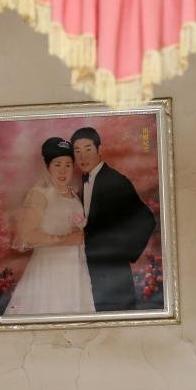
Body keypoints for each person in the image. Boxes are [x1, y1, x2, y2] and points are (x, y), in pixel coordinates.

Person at [4, 137, 95, 315]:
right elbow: (27, 233)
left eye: (68, 165)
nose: (63, 171)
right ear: (47, 166)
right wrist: (64, 239)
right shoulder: (40, 194)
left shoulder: (73, 194)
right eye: (57, 164)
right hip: (50, 267)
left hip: (75, 268)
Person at [71, 127, 156, 311]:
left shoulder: (116, 181)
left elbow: (147, 219)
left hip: (114, 279)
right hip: (90, 274)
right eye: (77, 151)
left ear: (99, 150)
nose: (82, 156)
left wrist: (121, 254)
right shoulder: (81, 184)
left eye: (88, 149)